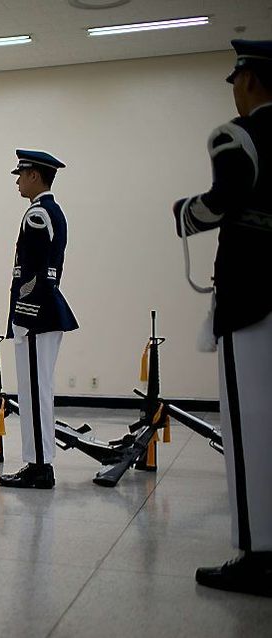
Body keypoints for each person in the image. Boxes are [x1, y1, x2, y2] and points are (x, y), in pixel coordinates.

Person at [174, 39, 272, 597]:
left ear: (251, 80)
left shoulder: (238, 135)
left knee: (248, 427)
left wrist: (185, 213)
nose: (234, 92)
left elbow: (224, 199)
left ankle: (258, 554)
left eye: (236, 81)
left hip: (252, 297)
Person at [0, 149, 78, 489]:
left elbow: (35, 272)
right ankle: (39, 462)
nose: (17, 180)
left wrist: (23, 313)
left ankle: (40, 465)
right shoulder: (50, 212)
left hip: (36, 314)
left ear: (34, 176)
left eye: (21, 174)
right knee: (37, 390)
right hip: (44, 311)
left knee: (34, 392)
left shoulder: (38, 215)